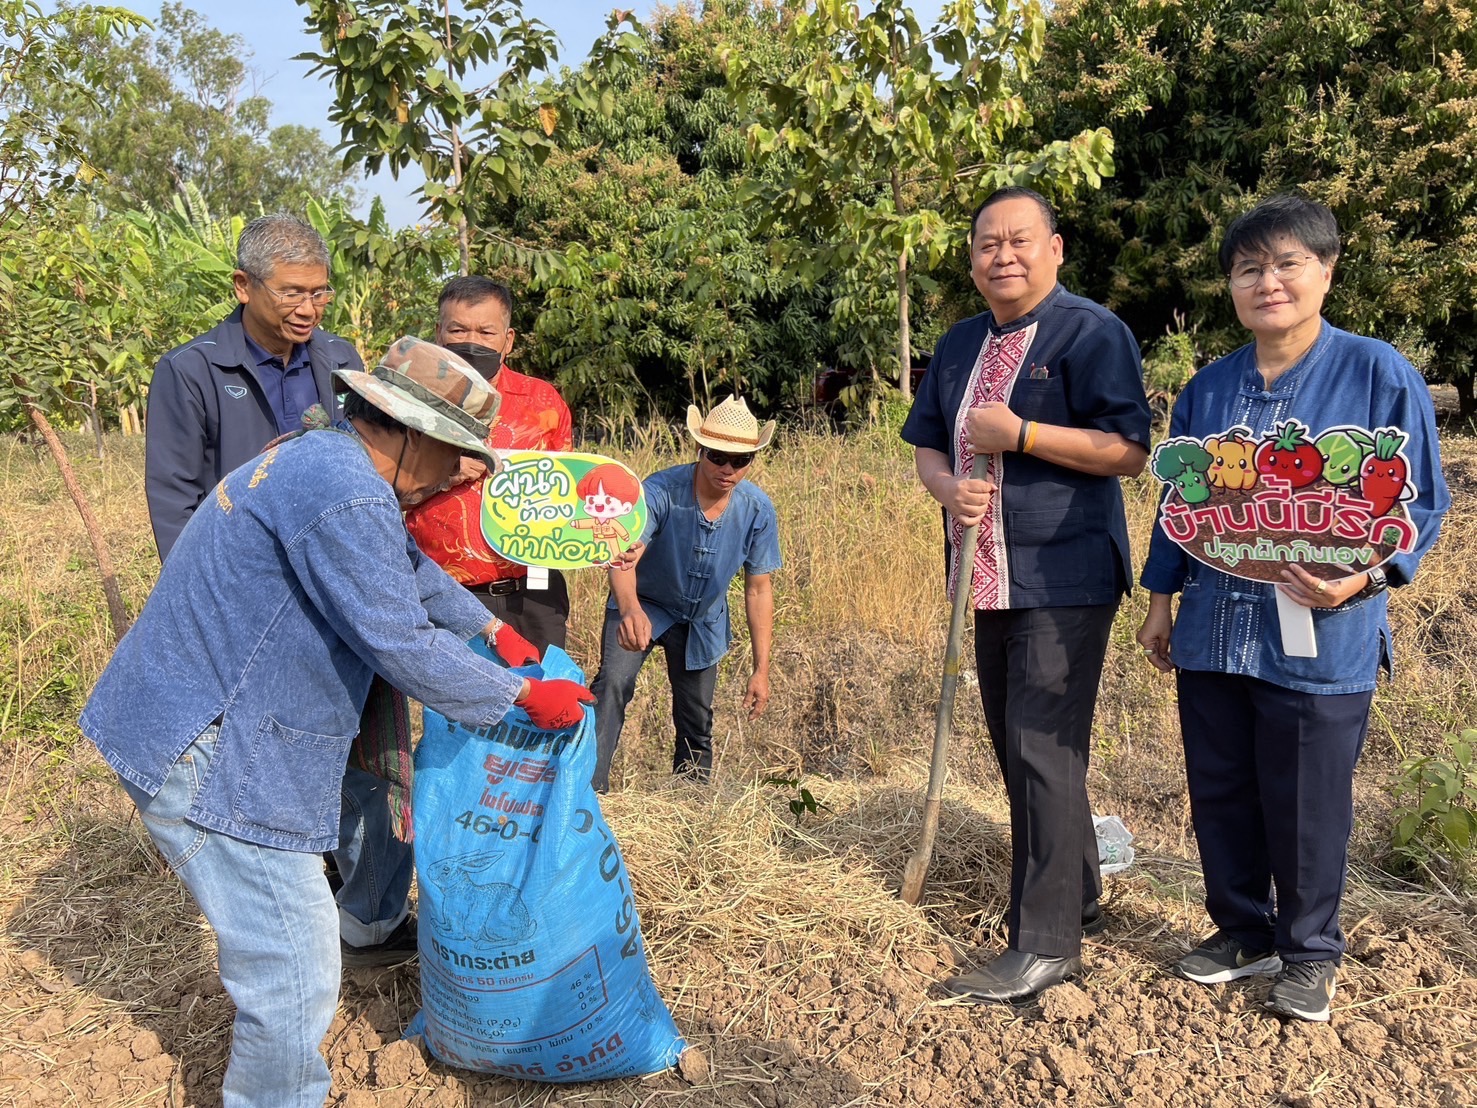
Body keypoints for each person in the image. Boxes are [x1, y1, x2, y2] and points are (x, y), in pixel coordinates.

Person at [83, 337, 595, 1108]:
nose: (462, 472)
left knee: (291, 953)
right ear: (411, 432)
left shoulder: (323, 458)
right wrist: (518, 698)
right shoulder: (345, 490)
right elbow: (397, 640)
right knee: (293, 969)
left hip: (190, 717)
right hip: (210, 746)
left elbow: (408, 571)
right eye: (455, 451)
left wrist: (492, 633)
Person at [1136, 194, 1449, 1022]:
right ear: (1230, 286)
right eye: (1248, 269)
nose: (1266, 282)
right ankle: (1242, 932)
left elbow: (1422, 504)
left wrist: (1366, 577)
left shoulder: (1378, 373)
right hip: (1213, 627)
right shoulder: (1206, 391)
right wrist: (1161, 601)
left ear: (1325, 271)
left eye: (1285, 264)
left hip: (1325, 630)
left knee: (1307, 798)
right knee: (1221, 787)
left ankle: (1309, 951)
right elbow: (1181, 505)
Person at [142, 213, 417, 968]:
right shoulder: (192, 370)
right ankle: (280, 902)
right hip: (252, 610)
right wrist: (214, 623)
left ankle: (366, 917)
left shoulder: (340, 360)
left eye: (321, 292)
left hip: (339, 594)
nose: (309, 308)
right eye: (293, 291)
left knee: (366, 761)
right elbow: (176, 502)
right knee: (265, 756)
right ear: (244, 286)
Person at [901, 186, 1152, 1004]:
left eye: (1018, 241)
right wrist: (945, 490)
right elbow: (928, 448)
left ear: (1054, 247)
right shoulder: (958, 342)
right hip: (985, 570)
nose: (1000, 256)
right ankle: (1075, 888)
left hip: (1064, 571)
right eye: (985, 245)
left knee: (1043, 746)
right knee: (1020, 748)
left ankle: (1045, 943)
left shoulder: (1091, 331)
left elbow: (1127, 450)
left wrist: (1025, 436)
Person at [589, 396, 781, 793]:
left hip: (702, 617)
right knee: (611, 686)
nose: (727, 468)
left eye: (740, 460)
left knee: (696, 714)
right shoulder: (659, 490)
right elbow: (625, 554)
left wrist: (761, 669)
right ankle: (588, 793)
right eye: (717, 456)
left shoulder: (758, 510)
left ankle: (689, 800)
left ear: (751, 461)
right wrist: (628, 609)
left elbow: (759, 589)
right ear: (699, 449)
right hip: (644, 602)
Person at [405, 276, 575, 652]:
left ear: (508, 340)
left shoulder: (543, 403)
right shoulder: (406, 404)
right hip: (446, 594)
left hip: (535, 589)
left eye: (485, 331)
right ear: (438, 333)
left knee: (544, 702)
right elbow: (380, 496)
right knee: (455, 706)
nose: (472, 341)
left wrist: (610, 532)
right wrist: (443, 477)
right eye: (458, 329)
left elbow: (568, 494)